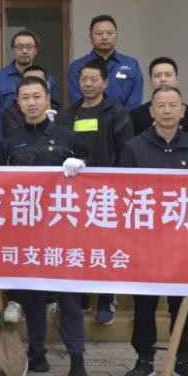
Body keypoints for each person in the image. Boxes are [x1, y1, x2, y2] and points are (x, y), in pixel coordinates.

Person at [118, 85, 188, 376]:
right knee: (144, 304)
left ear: (183, 111)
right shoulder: (134, 148)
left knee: (182, 303)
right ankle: (143, 359)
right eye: (161, 105)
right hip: (145, 242)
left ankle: (184, 361)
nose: (167, 111)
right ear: (151, 111)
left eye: (172, 105)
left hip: (182, 245)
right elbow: (121, 193)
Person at [1, 76, 93, 376]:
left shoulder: (69, 138)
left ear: (47, 98)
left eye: (36, 96)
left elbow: (95, 176)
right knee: (32, 296)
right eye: (25, 98)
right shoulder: (11, 144)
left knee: (68, 298)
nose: (31, 103)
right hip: (26, 233)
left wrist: (81, 164)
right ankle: (36, 351)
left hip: (62, 233)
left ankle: (77, 361)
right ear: (18, 102)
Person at [55, 59, 133, 325]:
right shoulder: (68, 114)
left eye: (93, 79)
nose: (88, 84)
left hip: (107, 192)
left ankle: (106, 299)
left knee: (106, 246)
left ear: (105, 82)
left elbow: (125, 153)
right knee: (78, 246)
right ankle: (82, 298)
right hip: (74, 194)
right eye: (84, 79)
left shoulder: (117, 114)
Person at [0, 31, 58, 140]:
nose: (24, 51)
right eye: (19, 47)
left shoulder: (48, 80)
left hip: (42, 139)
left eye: (29, 47)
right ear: (13, 50)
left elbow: (54, 110)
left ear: (36, 51)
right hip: (6, 140)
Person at [67, 14, 143, 110]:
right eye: (99, 33)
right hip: (89, 118)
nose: (104, 37)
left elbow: (135, 101)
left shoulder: (132, 65)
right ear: (90, 37)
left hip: (125, 119)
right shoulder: (77, 66)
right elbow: (77, 101)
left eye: (109, 33)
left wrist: (121, 118)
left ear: (116, 36)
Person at [129, 57, 188, 143]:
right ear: (151, 81)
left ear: (176, 79)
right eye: (157, 75)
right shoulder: (137, 115)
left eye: (168, 75)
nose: (163, 79)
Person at [0, 64, 59, 143]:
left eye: (38, 81)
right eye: (28, 81)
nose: (31, 103)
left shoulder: (61, 112)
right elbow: (14, 141)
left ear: (47, 85)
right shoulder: (11, 113)